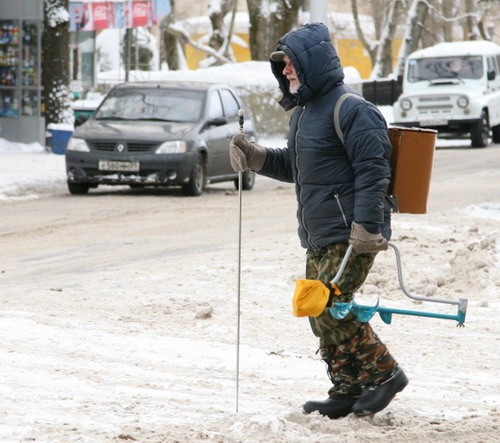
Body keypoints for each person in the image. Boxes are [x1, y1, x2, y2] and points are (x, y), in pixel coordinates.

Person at [229, 22, 408, 418]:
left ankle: (386, 374)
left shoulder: (353, 109)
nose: (286, 71)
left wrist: (366, 227)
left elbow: (373, 169)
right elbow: (297, 166)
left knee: (330, 307)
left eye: (291, 63)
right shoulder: (304, 114)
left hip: (353, 233)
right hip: (318, 233)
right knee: (317, 308)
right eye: (283, 65)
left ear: (311, 63)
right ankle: (346, 390)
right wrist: (256, 156)